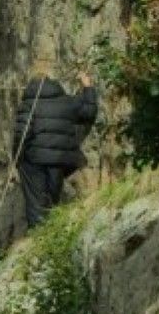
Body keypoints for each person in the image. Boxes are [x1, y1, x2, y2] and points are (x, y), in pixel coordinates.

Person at [12, 69, 99, 228]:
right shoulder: (67, 102)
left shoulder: (28, 105)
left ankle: (38, 240)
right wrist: (88, 87)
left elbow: (21, 135)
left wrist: (16, 160)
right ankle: (52, 236)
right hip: (60, 159)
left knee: (36, 204)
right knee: (52, 200)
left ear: (31, 86)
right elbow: (90, 111)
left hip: (34, 160)